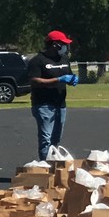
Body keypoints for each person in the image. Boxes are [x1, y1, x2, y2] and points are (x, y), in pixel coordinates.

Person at [27, 30, 77, 161]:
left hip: (60, 104)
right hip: (43, 104)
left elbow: (69, 75)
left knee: (56, 139)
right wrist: (59, 80)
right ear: (56, 45)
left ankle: (53, 164)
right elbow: (34, 81)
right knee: (46, 139)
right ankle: (46, 167)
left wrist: (72, 79)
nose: (66, 47)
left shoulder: (64, 59)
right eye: (63, 44)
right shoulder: (38, 61)